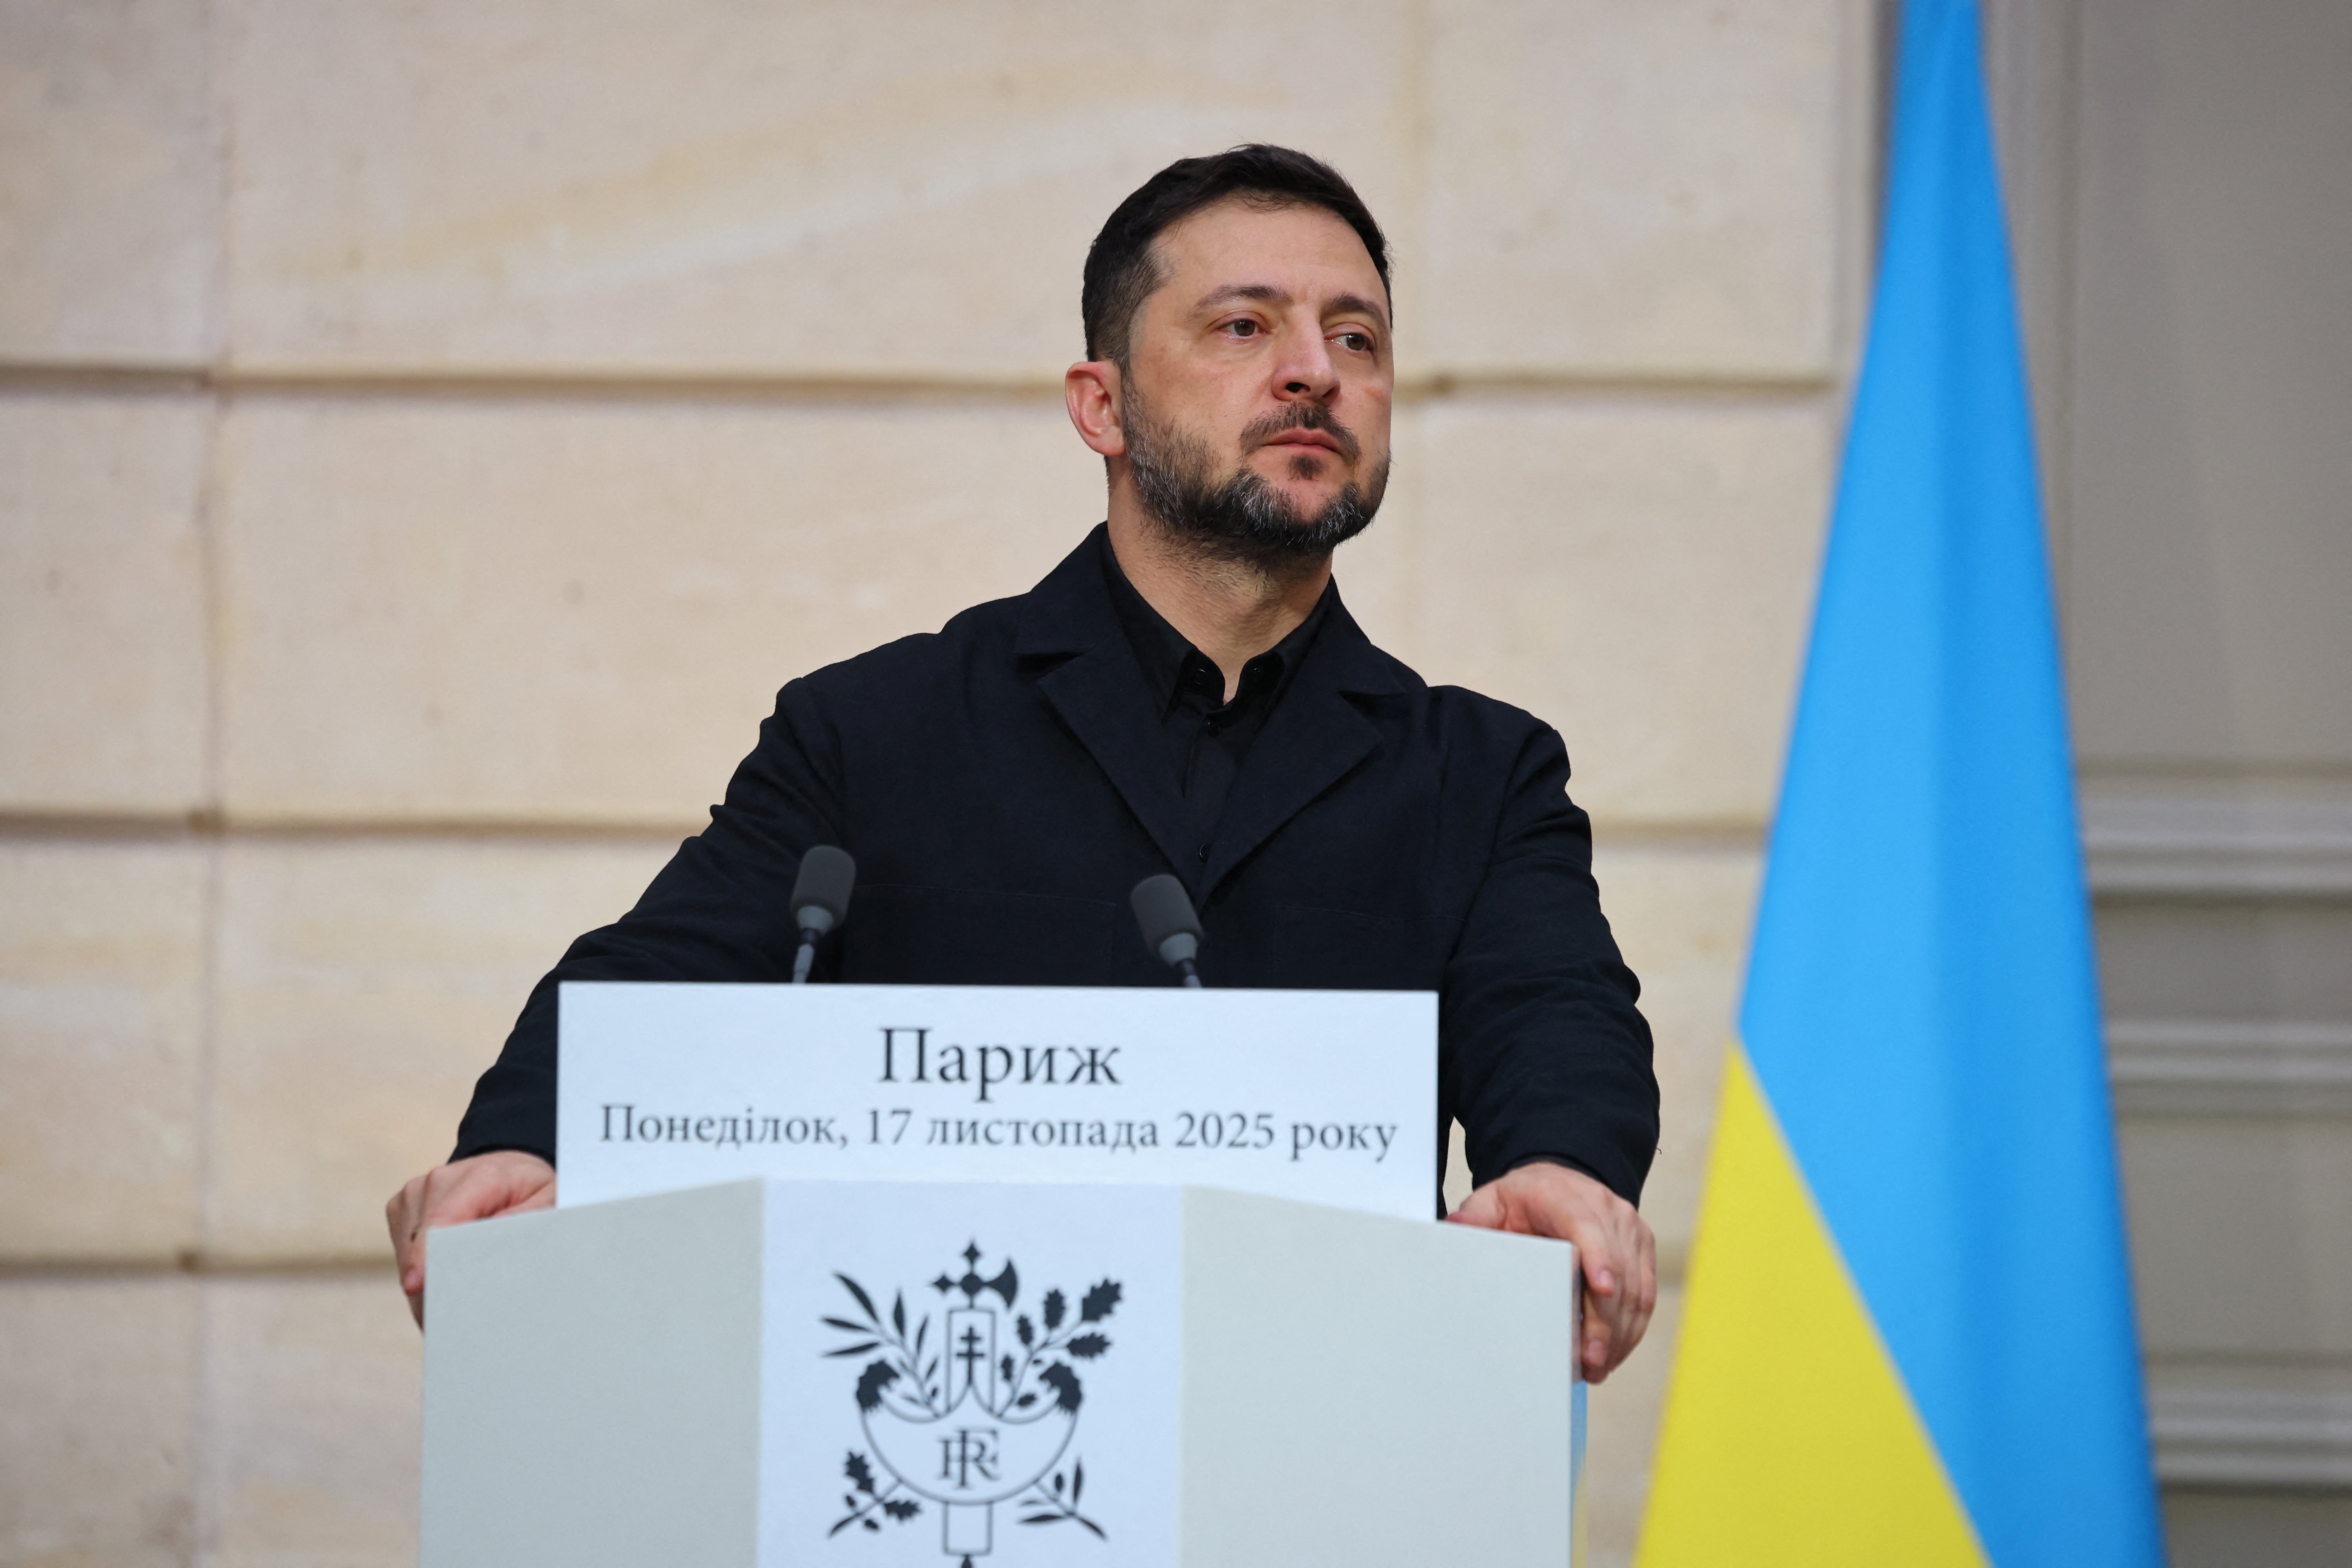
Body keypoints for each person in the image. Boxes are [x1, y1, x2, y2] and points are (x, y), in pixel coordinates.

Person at [387, 145, 1660, 1381]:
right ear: (1100, 404)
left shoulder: (1480, 775)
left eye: (1357, 337)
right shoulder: (879, 732)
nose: (1313, 373)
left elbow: (1555, 1011)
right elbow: (657, 985)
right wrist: (518, 1149)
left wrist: (1563, 1170)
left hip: (1320, 1422)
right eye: (1243, 327)